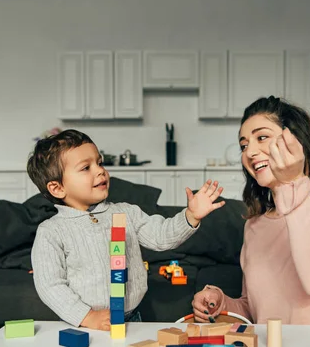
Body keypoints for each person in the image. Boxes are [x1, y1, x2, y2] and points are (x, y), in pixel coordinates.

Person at [191, 96, 310, 342]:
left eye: (261, 137)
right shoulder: (254, 226)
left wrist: (291, 182)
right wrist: (220, 304)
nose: (250, 152)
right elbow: (255, 311)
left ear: (296, 140)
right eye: (243, 145)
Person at [28, 129, 225, 331]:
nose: (100, 171)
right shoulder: (51, 231)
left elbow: (161, 236)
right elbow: (50, 285)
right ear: (57, 188)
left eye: (100, 162)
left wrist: (191, 216)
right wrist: (87, 317)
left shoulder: (127, 212)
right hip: (85, 325)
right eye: (86, 167)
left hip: (133, 317)